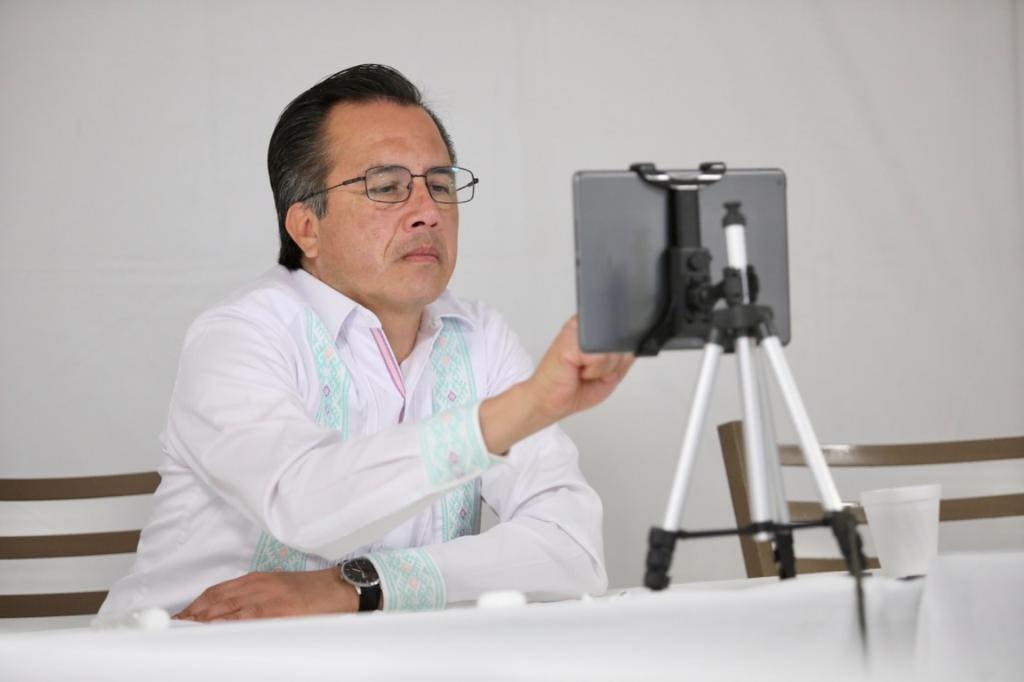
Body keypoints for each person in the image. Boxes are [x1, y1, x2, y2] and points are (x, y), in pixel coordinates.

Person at [100, 64, 633, 621]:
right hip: (184, 653)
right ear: (306, 228)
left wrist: (361, 587)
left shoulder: (480, 336)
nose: (428, 213)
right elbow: (300, 504)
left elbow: (571, 548)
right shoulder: (239, 334)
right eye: (386, 188)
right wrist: (525, 408)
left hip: (394, 657)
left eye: (440, 185)